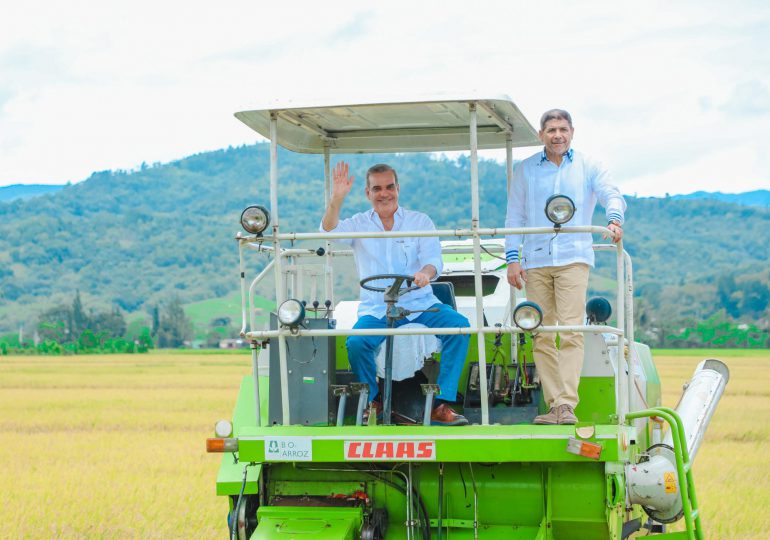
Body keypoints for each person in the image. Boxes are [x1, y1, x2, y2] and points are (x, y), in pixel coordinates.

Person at [321, 161, 470, 426]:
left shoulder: (419, 221)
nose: (384, 194)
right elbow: (328, 232)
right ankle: (373, 402)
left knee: (459, 328)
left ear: (398, 189)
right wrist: (337, 199)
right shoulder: (358, 224)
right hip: (378, 308)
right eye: (377, 188)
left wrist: (425, 273)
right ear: (367, 193)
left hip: (419, 304)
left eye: (389, 187)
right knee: (356, 344)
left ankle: (440, 403)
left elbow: (433, 260)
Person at [505, 109, 626, 425]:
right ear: (541, 135)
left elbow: (610, 194)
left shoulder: (588, 165)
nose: (557, 135)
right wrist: (512, 259)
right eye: (551, 130)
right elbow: (515, 216)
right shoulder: (526, 169)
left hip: (573, 257)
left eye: (562, 129)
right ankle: (555, 405)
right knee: (541, 333)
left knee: (572, 330)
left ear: (572, 132)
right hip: (536, 260)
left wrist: (614, 219)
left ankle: (567, 405)